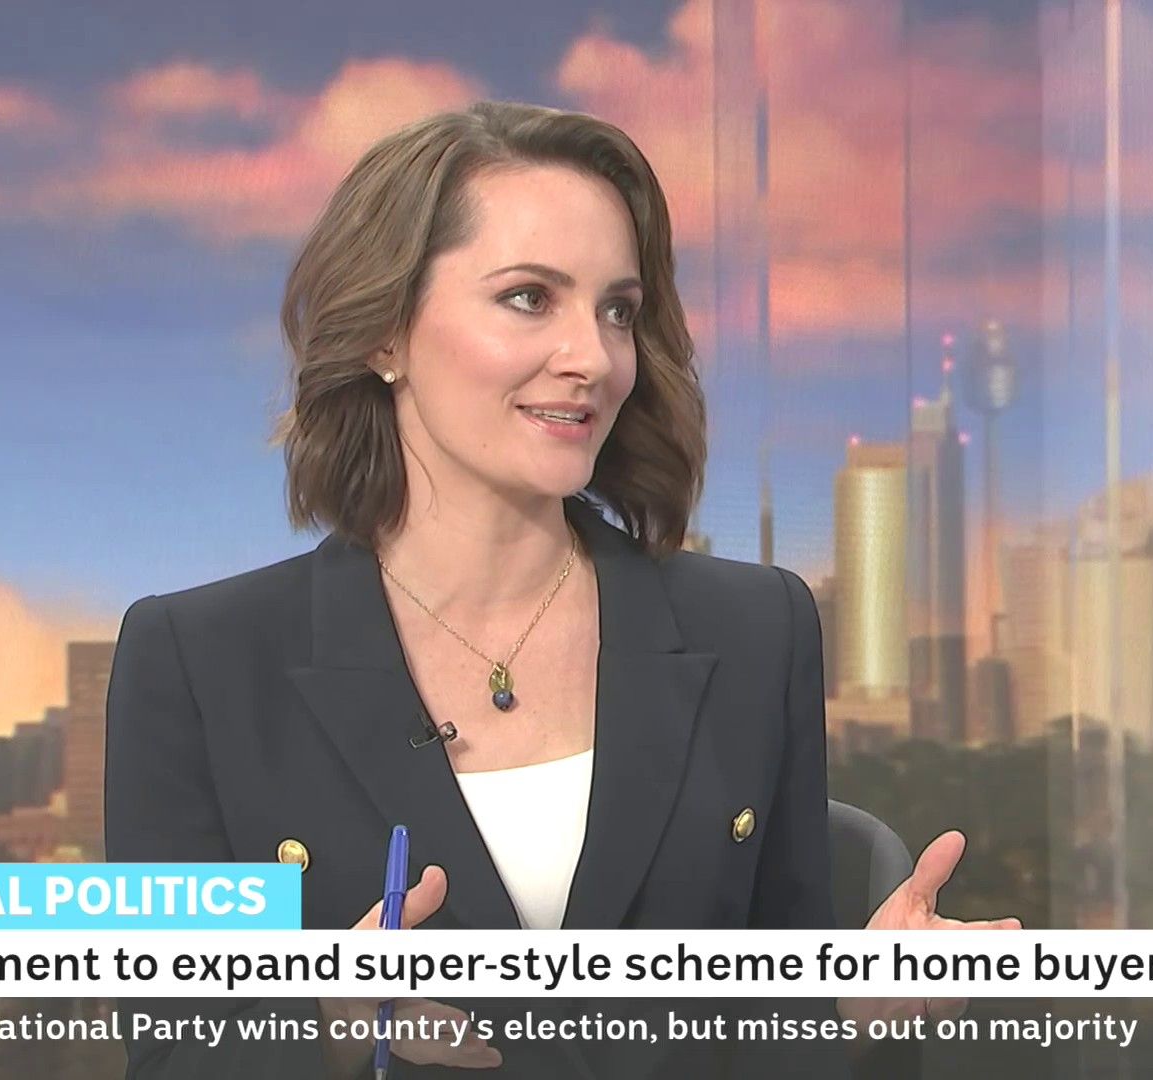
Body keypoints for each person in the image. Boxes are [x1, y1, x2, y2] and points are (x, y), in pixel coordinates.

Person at [104, 99, 1018, 1079]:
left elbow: (771, 1031)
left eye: (617, 311)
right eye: (529, 297)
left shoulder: (759, 628)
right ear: (385, 334)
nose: (593, 358)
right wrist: (326, 1020)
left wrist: (849, 1003)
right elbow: (171, 1055)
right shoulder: (197, 664)